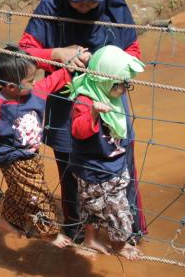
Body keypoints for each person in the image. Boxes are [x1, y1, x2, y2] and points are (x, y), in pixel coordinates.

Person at [19, 0, 146, 241]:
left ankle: (126, 233)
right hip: (65, 103)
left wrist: (110, 67)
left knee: (120, 163)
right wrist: (56, 54)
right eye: (79, 3)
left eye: (91, 3)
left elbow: (134, 53)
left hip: (110, 102)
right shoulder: (50, 9)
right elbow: (23, 53)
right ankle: (77, 231)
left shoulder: (116, 11)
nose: (86, 8)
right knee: (70, 167)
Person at [0, 46, 72, 248]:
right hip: (13, 160)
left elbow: (53, 81)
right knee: (37, 194)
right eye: (30, 80)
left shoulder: (36, 91)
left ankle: (9, 220)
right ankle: (49, 233)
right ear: (11, 86)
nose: (35, 82)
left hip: (32, 155)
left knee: (19, 191)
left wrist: (70, 68)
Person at [68, 45, 145, 260]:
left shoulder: (108, 93)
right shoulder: (85, 100)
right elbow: (78, 131)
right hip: (94, 169)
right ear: (103, 79)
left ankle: (92, 239)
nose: (123, 89)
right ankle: (118, 244)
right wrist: (93, 112)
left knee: (93, 205)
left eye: (126, 84)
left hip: (113, 163)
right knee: (116, 211)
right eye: (119, 84)